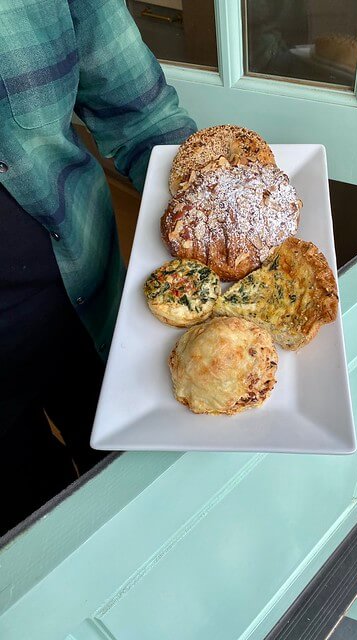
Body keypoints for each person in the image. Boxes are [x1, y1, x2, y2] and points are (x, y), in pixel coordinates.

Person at [0, 0, 196, 535]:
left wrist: (212, 203)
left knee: (135, 480)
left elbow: (142, 114)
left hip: (88, 291)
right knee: (37, 521)